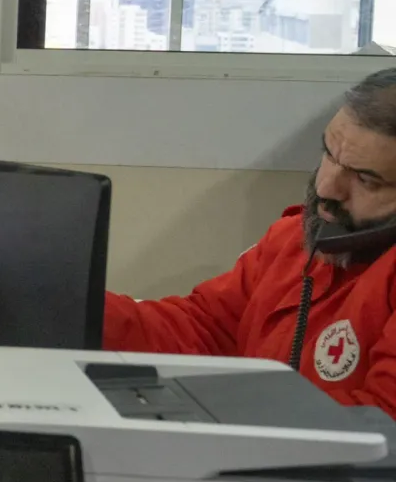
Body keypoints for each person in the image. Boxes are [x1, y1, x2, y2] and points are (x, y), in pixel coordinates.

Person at [106, 68, 396, 412]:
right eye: (329, 154)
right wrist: (73, 305)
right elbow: (202, 330)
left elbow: (382, 421)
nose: (326, 188)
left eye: (366, 180)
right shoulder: (293, 240)